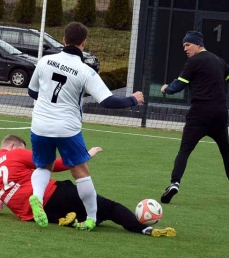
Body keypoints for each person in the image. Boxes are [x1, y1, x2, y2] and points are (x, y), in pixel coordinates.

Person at [27, 22, 144, 230]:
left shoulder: (45, 61)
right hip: (67, 129)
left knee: (44, 166)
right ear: (83, 43)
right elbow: (108, 101)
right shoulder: (84, 71)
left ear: (63, 40)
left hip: (40, 126)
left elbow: (32, 91)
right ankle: (91, 217)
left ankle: (36, 197)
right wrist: (134, 99)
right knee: (81, 171)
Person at [0, 135, 176, 237]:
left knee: (90, 214)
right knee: (107, 207)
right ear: (14, 146)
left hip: (33, 216)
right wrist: (85, 156)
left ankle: (74, 219)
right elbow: (54, 165)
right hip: (52, 195)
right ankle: (144, 229)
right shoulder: (15, 153)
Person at [160, 31, 229, 204]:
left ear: (197, 44)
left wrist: (166, 88)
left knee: (185, 150)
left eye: (188, 45)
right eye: (183, 46)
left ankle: (174, 183)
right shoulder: (219, 61)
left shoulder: (193, 62)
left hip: (198, 114)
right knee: (226, 151)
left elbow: (179, 85)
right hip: (219, 114)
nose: (185, 49)